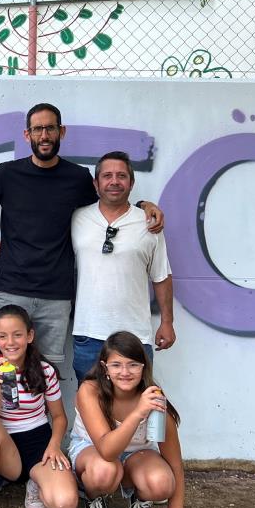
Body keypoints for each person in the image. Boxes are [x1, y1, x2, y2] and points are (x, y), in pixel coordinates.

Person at [0, 103, 163, 383]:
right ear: (27, 134)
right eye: (38, 129)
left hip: (56, 295)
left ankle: (40, 426)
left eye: (50, 128)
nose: (44, 135)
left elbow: (111, 204)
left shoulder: (78, 178)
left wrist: (143, 205)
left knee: (46, 376)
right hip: (11, 289)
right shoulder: (7, 174)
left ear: (61, 132)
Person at [67, 331, 187, 508]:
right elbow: (106, 451)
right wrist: (138, 413)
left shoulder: (154, 400)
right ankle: (94, 498)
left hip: (137, 456)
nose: (125, 372)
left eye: (133, 365)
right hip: (93, 451)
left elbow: (176, 465)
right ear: (105, 368)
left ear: (143, 367)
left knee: (161, 483)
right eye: (116, 365)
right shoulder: (90, 390)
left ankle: (140, 499)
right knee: (104, 470)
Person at [0, 305, 78, 508]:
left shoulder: (45, 370)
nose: (10, 342)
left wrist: (54, 445)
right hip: (4, 447)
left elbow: (59, 417)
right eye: (3, 336)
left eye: (17, 334)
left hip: (39, 443)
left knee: (65, 505)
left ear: (29, 336)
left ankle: (35, 482)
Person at [71, 150, 175, 382]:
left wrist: (167, 322)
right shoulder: (76, 218)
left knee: (135, 409)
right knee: (90, 406)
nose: (114, 181)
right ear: (96, 183)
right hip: (88, 334)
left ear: (132, 182)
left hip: (135, 336)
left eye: (121, 176)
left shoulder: (150, 224)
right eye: (107, 176)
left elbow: (161, 276)